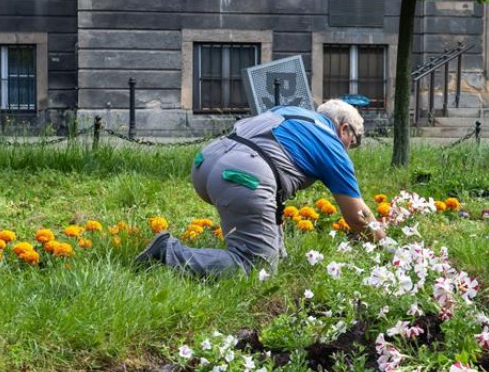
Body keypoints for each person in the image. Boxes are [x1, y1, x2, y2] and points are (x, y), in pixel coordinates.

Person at [136, 99, 384, 276]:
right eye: (354, 141)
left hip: (207, 162)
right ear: (344, 129)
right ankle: (167, 253)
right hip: (242, 175)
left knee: (267, 245)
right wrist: (386, 247)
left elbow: (273, 190)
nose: (351, 148)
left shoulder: (291, 111)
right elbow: (358, 217)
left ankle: (265, 250)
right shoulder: (331, 144)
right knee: (258, 268)